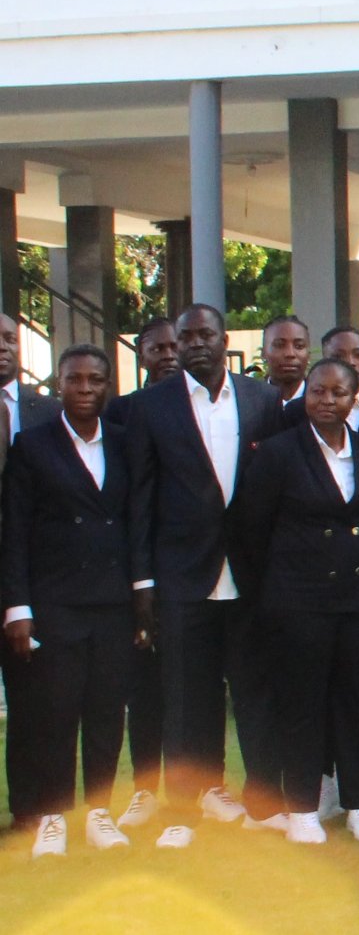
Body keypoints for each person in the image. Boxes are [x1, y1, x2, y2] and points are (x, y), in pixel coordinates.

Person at [125, 303, 287, 846]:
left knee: (255, 690)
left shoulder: (262, 399)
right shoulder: (151, 406)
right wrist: (143, 582)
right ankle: (183, 812)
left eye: (205, 334)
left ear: (224, 340)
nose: (195, 343)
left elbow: (274, 488)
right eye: (185, 336)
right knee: (185, 697)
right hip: (181, 575)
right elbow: (140, 499)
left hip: (249, 572)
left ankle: (264, 803)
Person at [233, 358, 359, 844]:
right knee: (302, 704)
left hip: (358, 600)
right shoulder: (278, 453)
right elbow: (250, 530)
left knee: (355, 701)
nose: (326, 400)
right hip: (298, 601)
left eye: (337, 393)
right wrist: (273, 592)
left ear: (353, 398)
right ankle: (302, 807)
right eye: (317, 391)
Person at [2, 345, 142, 857]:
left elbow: (135, 522)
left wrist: (140, 594)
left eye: (95, 379)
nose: (85, 389)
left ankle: (99, 813)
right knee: (55, 712)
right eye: (75, 379)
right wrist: (17, 607)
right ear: (57, 385)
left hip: (112, 601)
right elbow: (14, 532)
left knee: (106, 710)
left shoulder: (125, 443)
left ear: (108, 385)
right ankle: (52, 816)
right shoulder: (32, 446)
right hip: (56, 601)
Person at [104, 316, 177, 833]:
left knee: (192, 689)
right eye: (158, 348)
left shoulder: (210, 405)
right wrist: (138, 577)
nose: (169, 354)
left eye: (175, 346)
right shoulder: (122, 412)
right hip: (143, 567)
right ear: (142, 355)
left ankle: (198, 788)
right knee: (145, 686)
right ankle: (145, 790)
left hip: (196, 567)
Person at [1, 310, 61, 830]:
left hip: (34, 580)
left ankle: (29, 814)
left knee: (32, 702)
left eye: (8, 337)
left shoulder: (49, 412)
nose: (2, 346)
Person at [259, 316, 312, 404]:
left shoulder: (321, 403)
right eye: (279, 345)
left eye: (299, 346)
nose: (290, 354)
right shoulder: (248, 401)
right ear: (263, 353)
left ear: (308, 355)